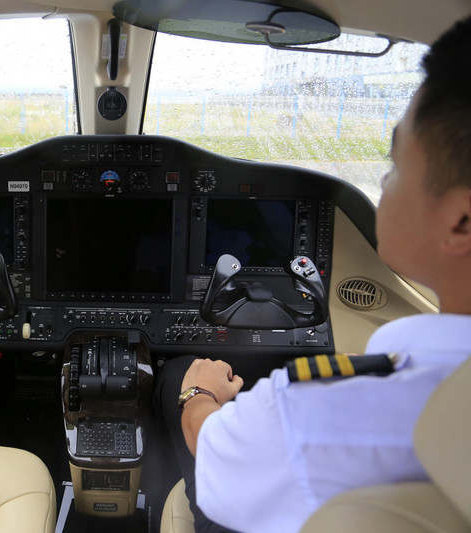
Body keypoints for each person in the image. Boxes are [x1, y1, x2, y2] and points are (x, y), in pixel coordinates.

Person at [156, 13, 471, 533]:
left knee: (179, 371)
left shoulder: (321, 417)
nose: (385, 184)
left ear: (461, 220)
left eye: (396, 165)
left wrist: (200, 395)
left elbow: (210, 446)